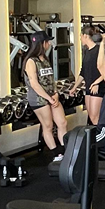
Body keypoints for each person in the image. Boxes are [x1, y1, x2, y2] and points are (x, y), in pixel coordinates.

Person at [22, 30, 67, 163]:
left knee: (62, 122)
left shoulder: (45, 59)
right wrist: (48, 98)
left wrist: (56, 94)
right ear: (42, 43)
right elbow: (34, 84)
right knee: (48, 126)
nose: (49, 44)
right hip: (39, 98)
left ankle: (65, 149)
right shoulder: (31, 61)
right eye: (47, 42)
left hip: (52, 96)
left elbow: (51, 79)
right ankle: (56, 153)